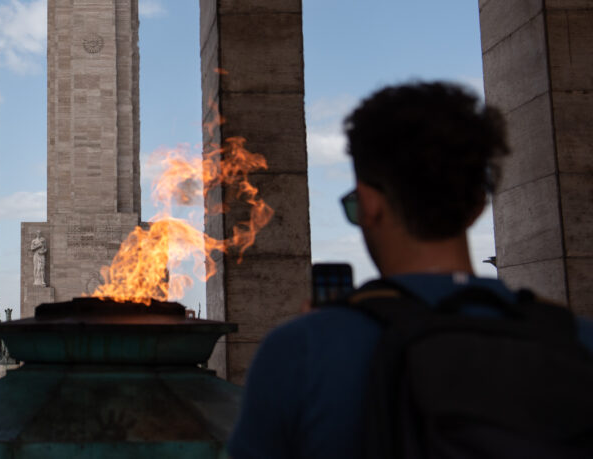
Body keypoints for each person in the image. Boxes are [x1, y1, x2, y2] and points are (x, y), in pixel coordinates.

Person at [227, 81, 593, 459]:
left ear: (369, 205)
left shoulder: (301, 352)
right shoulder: (577, 341)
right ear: (478, 206)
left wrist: (325, 336)